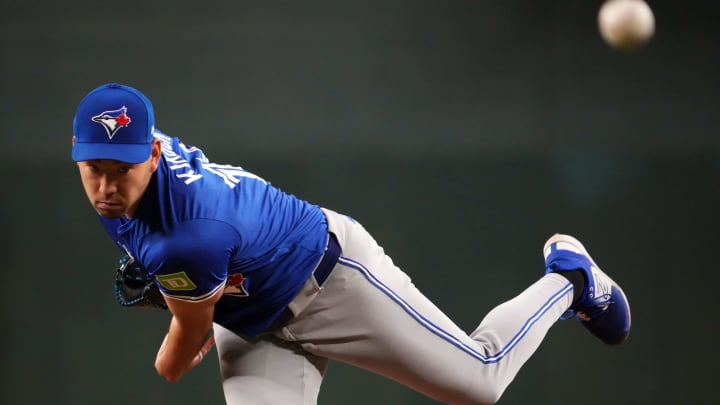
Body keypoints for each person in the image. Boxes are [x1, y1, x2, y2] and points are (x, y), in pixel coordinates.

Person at [71, 82, 631, 405]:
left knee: (477, 383)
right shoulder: (136, 177)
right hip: (255, 317)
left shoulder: (186, 240)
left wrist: (179, 312)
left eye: (120, 168)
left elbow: (176, 361)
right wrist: (188, 298)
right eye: (93, 167)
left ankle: (571, 278)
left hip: (331, 282)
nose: (106, 185)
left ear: (151, 154)